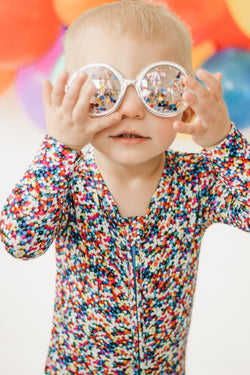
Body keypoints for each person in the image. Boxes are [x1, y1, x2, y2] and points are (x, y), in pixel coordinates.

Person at [0, 0, 249, 374]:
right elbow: (19, 241)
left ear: (184, 107)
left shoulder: (198, 181)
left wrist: (223, 142)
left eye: (158, 87)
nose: (131, 109)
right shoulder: (67, 181)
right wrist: (58, 149)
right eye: (104, 88)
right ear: (72, 99)